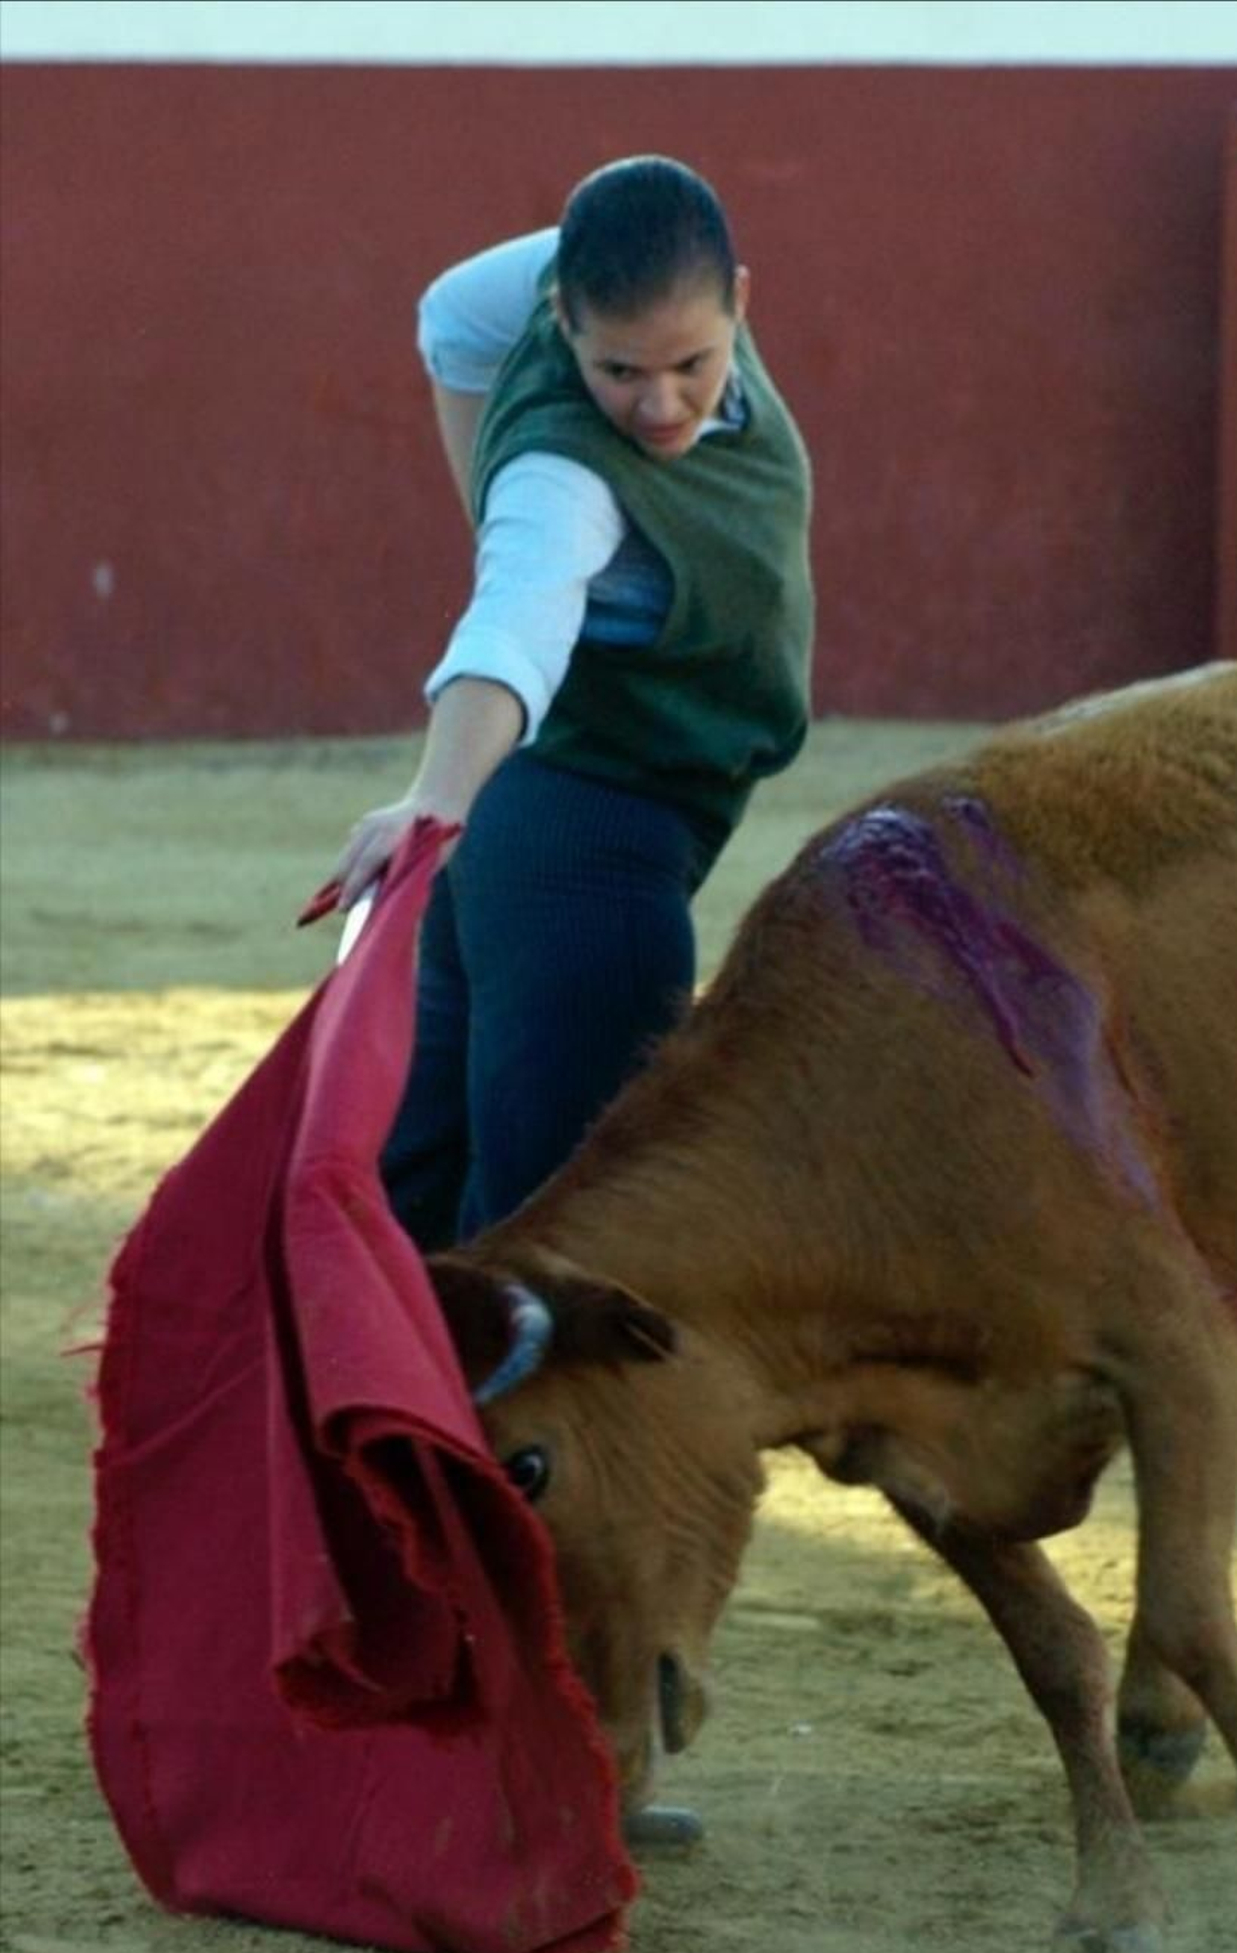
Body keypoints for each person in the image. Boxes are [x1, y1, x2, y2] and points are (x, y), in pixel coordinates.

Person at [322, 156, 815, 1250]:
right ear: (562, 320)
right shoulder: (562, 483)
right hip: (581, 854)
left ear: (742, 297)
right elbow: (516, 620)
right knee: (559, 1247)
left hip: (516, 844)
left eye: (691, 363)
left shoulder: (614, 266)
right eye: (617, 370)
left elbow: (449, 314)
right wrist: (435, 799)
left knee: (417, 1216)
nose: (657, 404)